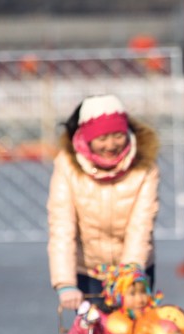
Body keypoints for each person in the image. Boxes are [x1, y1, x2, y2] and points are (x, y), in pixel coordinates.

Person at [47, 94, 161, 312]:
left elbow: (141, 227)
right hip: (88, 270)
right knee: (92, 329)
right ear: (87, 138)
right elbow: (61, 227)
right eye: (102, 138)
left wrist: (129, 277)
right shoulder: (67, 166)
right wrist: (65, 283)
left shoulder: (144, 167)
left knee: (134, 329)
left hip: (134, 266)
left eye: (118, 135)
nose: (111, 145)